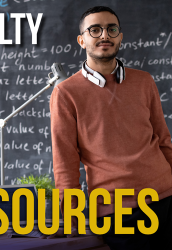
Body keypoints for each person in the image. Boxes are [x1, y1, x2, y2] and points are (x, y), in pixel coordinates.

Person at [43, 6, 172, 250]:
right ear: (82, 40)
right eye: (95, 30)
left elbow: (164, 141)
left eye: (111, 29)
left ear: (120, 37)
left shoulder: (145, 81)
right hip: (119, 212)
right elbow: (65, 163)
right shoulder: (65, 93)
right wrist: (70, 217)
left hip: (167, 197)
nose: (105, 35)